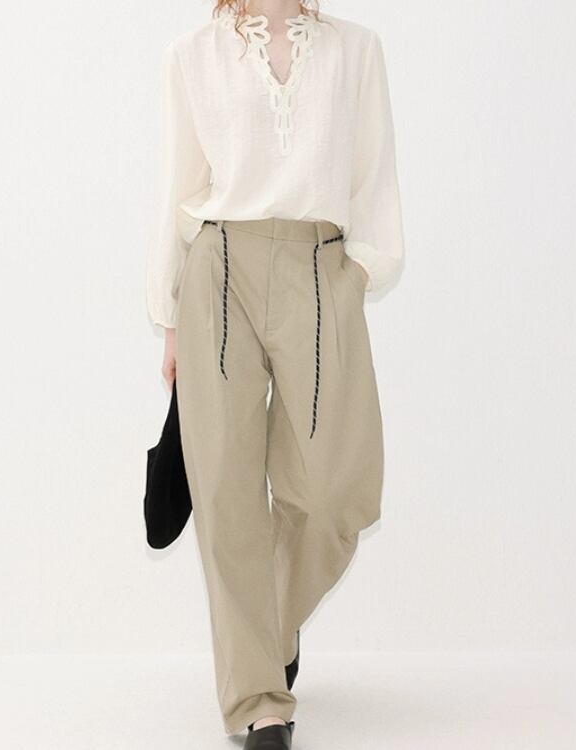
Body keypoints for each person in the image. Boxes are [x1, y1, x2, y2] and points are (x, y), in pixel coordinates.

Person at [146, 1, 405, 747]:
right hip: (218, 271)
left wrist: (355, 277)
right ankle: (261, 702)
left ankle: (263, 633)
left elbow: (373, 181)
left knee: (334, 491)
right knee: (226, 491)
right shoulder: (193, 55)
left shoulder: (357, 50)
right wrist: (168, 315)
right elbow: (177, 186)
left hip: (321, 270)